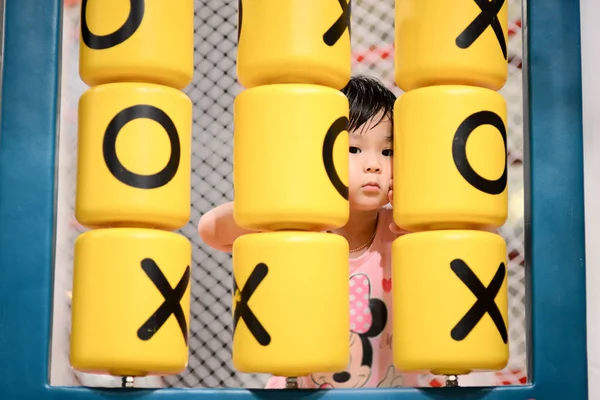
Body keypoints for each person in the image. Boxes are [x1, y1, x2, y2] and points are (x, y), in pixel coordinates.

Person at [198, 75, 418, 389]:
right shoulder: (294, 230)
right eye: (354, 149)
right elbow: (211, 228)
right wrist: (283, 202)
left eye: (387, 152)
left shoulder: (405, 233)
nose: (374, 165)